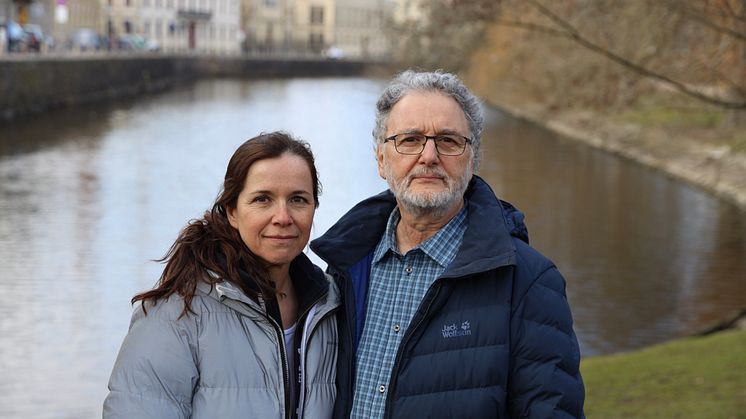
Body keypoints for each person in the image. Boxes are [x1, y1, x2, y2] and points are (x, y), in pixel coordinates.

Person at [310, 70, 585, 418]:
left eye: (449, 141)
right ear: (381, 159)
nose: (428, 156)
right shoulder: (346, 267)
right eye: (409, 140)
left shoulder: (528, 282)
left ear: (473, 160)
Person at [103, 132, 340, 419]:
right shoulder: (178, 313)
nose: (283, 217)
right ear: (232, 212)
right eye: (263, 199)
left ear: (314, 208)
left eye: (298, 199)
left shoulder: (330, 305)